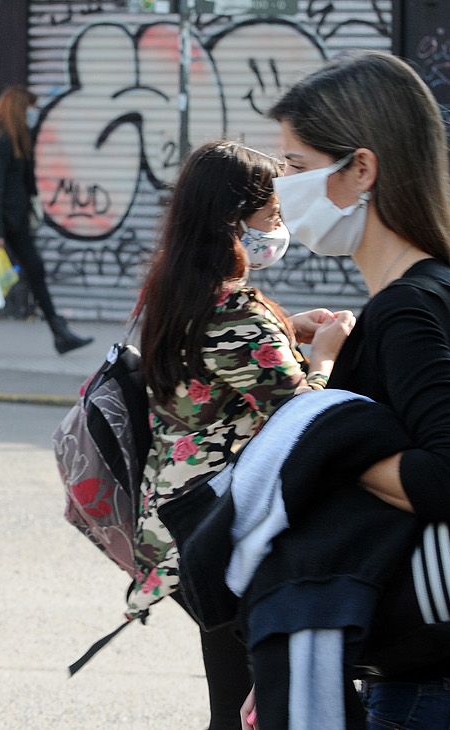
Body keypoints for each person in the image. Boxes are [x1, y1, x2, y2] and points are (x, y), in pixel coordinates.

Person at [241, 51, 450, 728]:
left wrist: (326, 443)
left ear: (362, 170)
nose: (282, 186)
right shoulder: (440, 293)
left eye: (294, 165)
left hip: (444, 692)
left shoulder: (409, 308)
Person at [135, 140, 351, 728]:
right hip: (218, 528)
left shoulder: (180, 287)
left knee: (233, 696)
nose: (280, 223)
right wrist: (325, 356)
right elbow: (300, 419)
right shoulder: (234, 312)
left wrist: (289, 327)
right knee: (260, 700)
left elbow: (230, 366)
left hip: (185, 521)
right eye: (273, 213)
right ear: (233, 220)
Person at [0, 84, 92, 358]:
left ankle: (58, 332)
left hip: (13, 221)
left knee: (35, 270)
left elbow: (24, 183)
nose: (33, 114)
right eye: (30, 109)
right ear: (19, 109)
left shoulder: (16, 140)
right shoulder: (0, 141)